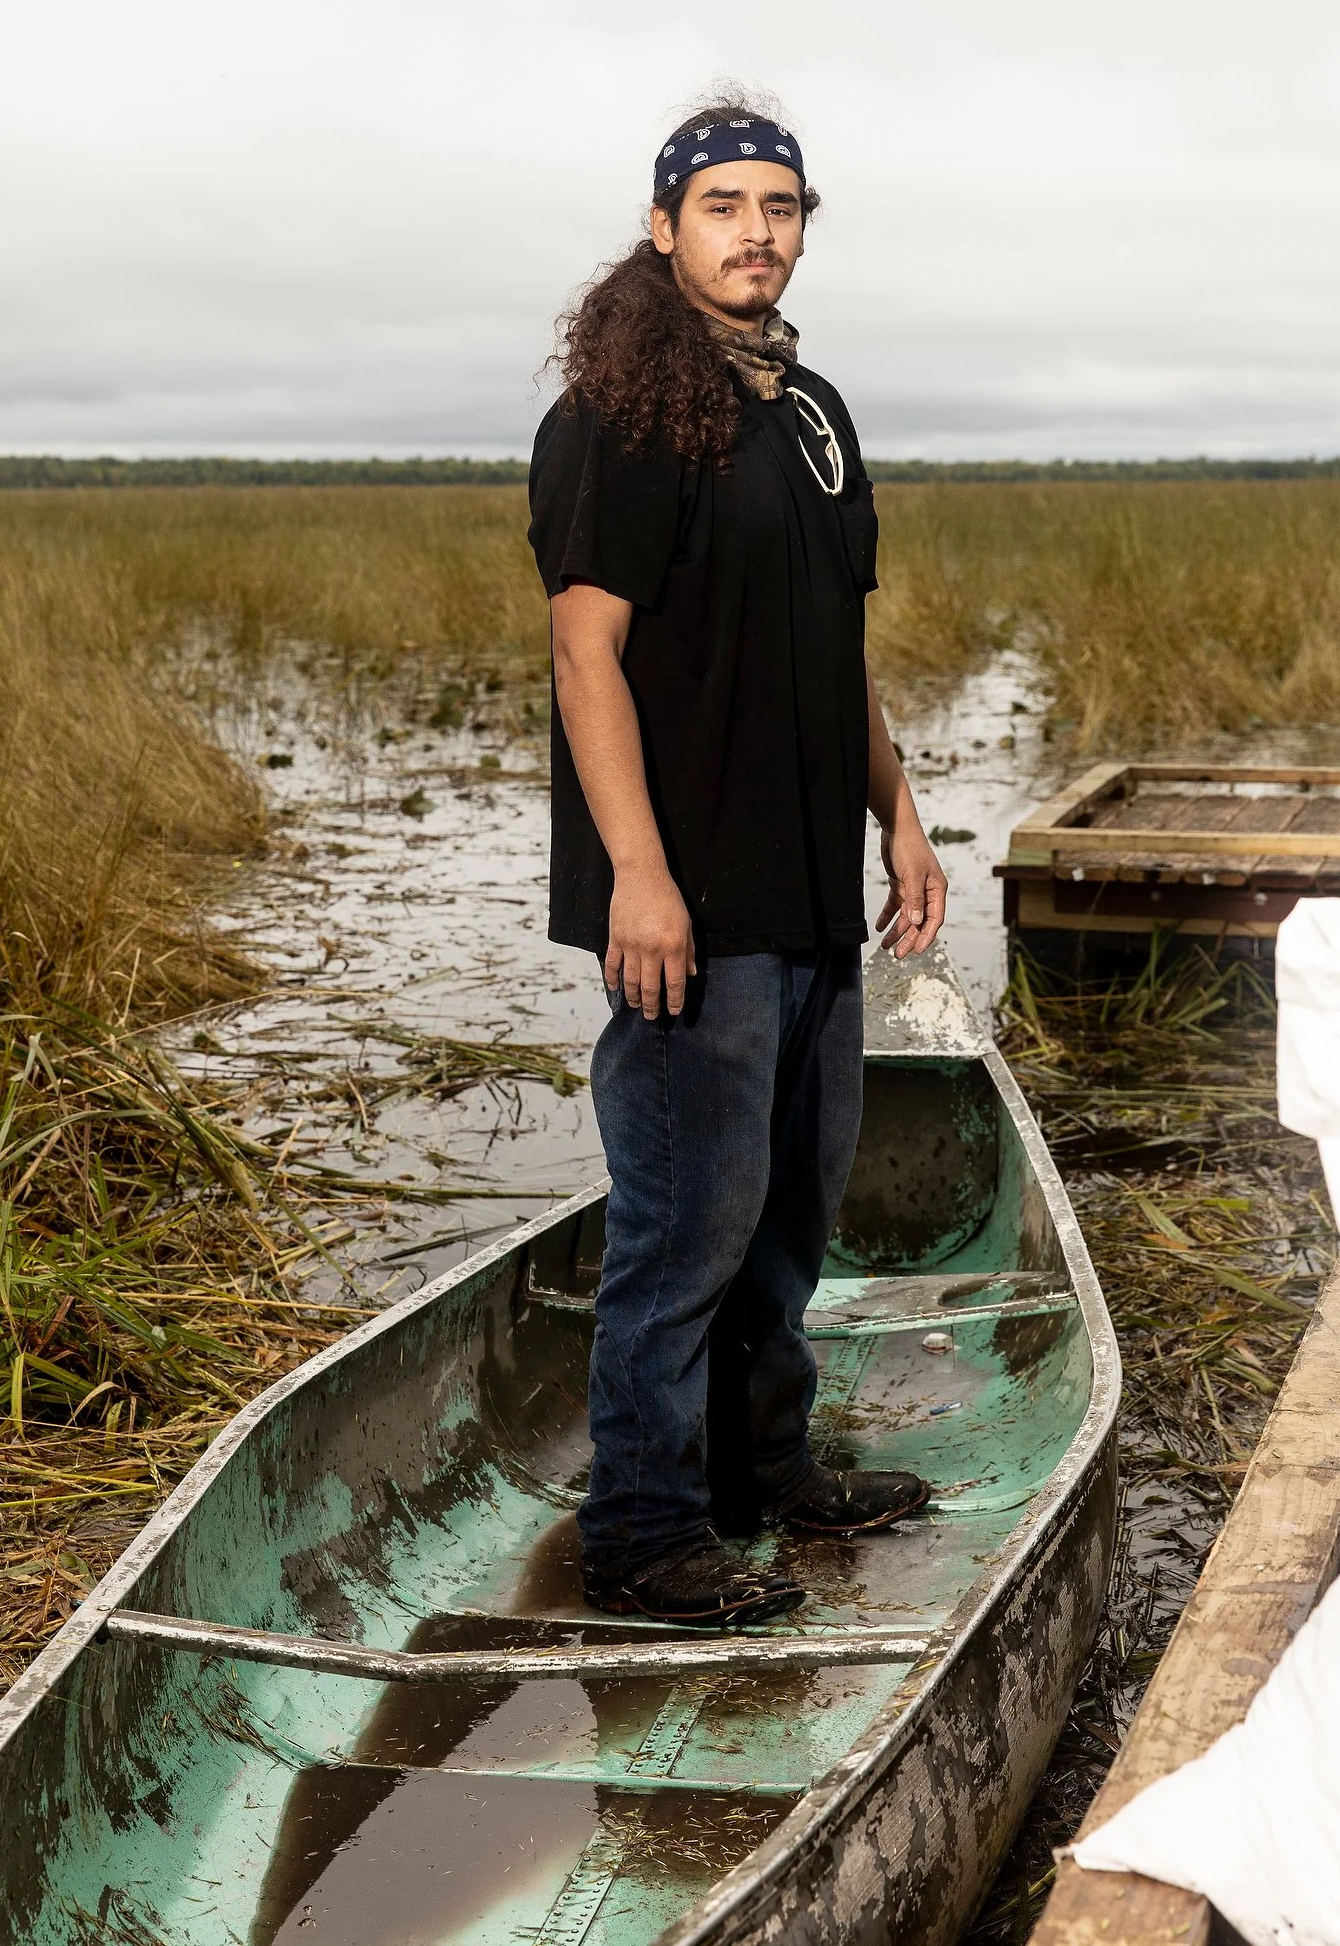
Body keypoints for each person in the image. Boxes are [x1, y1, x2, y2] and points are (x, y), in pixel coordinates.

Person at [527, 97, 948, 1628]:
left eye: (781, 205)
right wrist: (639, 876)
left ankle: (765, 1470)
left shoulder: (812, 410)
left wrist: (897, 816)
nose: (757, 230)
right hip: (687, 898)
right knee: (683, 1223)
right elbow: (588, 653)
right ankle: (641, 1531)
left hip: (807, 886)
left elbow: (838, 643)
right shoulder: (621, 413)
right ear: (664, 228)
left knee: (788, 1212)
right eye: (724, 206)